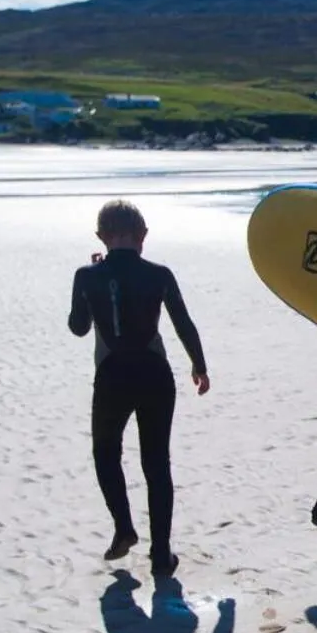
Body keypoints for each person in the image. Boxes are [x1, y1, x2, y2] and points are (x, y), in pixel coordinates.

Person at [68, 200, 210, 578]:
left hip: (113, 375)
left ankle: (124, 527)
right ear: (142, 236)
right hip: (155, 375)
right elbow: (184, 323)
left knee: (106, 453)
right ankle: (161, 556)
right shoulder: (160, 274)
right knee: (156, 463)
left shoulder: (87, 275)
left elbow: (78, 328)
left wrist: (90, 288)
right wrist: (199, 365)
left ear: (101, 235)